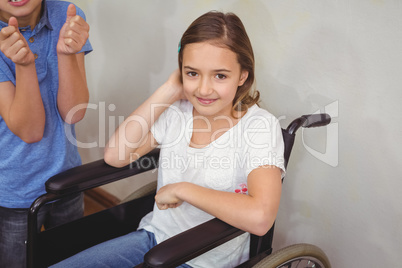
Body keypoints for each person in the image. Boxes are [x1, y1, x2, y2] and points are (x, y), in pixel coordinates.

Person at [52, 11, 285, 268]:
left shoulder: (259, 126)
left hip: (206, 259)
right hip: (154, 240)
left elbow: (261, 218)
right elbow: (116, 156)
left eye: (220, 75)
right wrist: (168, 91)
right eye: (192, 73)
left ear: (243, 76)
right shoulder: (178, 113)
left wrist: (182, 189)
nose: (204, 89)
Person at [0, 0, 92, 266]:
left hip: (67, 179)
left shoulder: (67, 15)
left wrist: (66, 54)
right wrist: (24, 65)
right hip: (13, 192)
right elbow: (30, 131)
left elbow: (73, 113)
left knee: (70, 260)